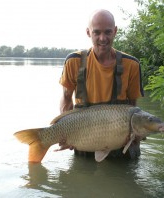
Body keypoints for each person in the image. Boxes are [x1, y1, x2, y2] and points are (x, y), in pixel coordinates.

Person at [59, 9, 144, 159]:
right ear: (88, 32)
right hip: (83, 138)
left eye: (108, 32)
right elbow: (66, 99)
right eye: (96, 32)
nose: (102, 38)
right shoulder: (74, 61)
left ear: (115, 31)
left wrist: (134, 135)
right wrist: (65, 132)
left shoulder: (131, 65)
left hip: (119, 142)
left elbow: (132, 107)